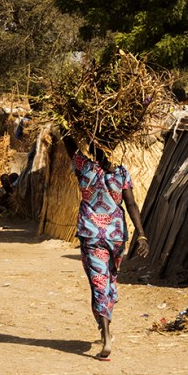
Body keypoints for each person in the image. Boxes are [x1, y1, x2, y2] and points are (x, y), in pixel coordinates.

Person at [62, 133, 150, 361]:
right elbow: (131, 204)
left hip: (92, 234)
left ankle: (106, 334)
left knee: (98, 282)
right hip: (116, 235)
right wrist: (142, 236)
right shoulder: (120, 173)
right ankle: (105, 322)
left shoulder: (85, 168)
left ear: (93, 148)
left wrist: (67, 125)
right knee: (109, 278)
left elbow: (69, 144)